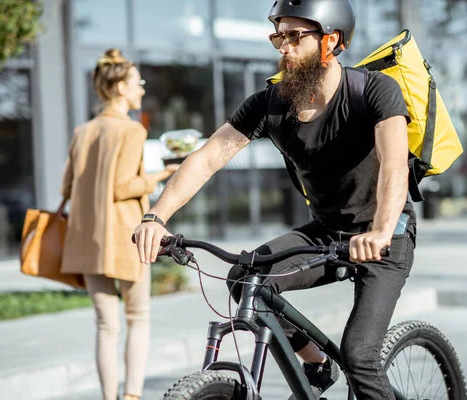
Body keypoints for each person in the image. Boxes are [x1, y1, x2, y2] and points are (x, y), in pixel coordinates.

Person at [133, 0, 416, 398]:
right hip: (327, 233)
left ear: (330, 41)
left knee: (359, 357)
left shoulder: (373, 91)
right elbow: (208, 158)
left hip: (386, 237)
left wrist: (382, 230)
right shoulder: (269, 104)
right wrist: (155, 217)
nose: (282, 46)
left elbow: (394, 167)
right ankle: (316, 361)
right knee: (245, 278)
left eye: (294, 37)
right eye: (278, 36)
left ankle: (346, 364)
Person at [60, 48, 179, 400]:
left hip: (89, 240)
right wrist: (163, 174)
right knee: (138, 317)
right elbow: (123, 187)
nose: (141, 89)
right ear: (120, 89)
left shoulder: (83, 131)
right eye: (137, 83)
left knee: (104, 326)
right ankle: (133, 396)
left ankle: (110, 397)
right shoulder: (131, 131)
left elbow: (65, 188)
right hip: (127, 238)